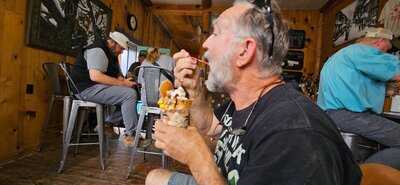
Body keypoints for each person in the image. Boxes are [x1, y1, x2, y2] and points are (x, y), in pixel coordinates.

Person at [145, 0, 361, 185]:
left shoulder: (294, 136)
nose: (206, 43)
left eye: (216, 33)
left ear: (245, 51)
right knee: (154, 177)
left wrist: (196, 157)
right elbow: (211, 126)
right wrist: (196, 91)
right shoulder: (245, 99)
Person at [317, 27, 400, 169]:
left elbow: (360, 85)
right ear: (380, 42)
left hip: (332, 115)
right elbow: (397, 72)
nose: (385, 53)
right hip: (348, 115)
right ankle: (362, 176)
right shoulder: (363, 51)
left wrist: (388, 90)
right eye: (386, 50)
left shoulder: (345, 54)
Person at [70, 31, 138, 147]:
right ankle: (130, 136)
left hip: (94, 87)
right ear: (113, 43)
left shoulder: (113, 55)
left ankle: (106, 124)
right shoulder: (98, 50)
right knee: (129, 95)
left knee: (134, 92)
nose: (121, 51)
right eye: (121, 48)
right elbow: (95, 76)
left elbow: (117, 75)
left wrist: (126, 81)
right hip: (85, 89)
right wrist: (123, 84)